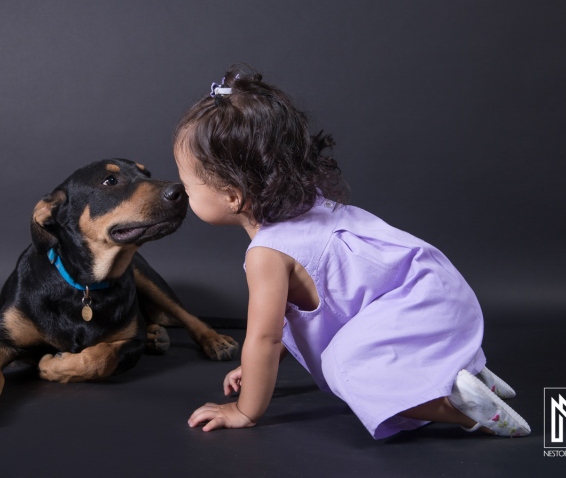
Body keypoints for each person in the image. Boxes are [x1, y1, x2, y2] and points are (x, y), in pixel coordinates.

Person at [175, 64, 531, 439]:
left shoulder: (266, 254)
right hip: (434, 292)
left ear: (232, 197)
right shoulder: (307, 205)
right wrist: (256, 368)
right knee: (357, 350)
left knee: (347, 369)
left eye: (188, 185)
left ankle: (464, 410)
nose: (184, 192)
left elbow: (265, 338)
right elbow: (284, 321)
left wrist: (245, 409)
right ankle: (471, 378)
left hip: (415, 307)